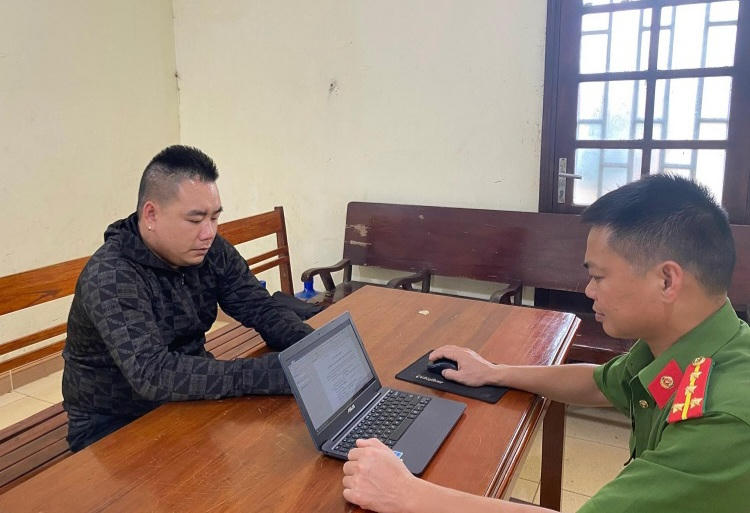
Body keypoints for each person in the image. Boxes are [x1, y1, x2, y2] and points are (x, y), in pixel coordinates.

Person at [342, 174, 750, 513]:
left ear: (666, 280)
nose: (589, 290)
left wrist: (409, 495)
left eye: (599, 276)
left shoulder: (725, 422)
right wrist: (496, 372)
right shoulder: (681, 345)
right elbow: (600, 384)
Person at [63, 145, 314, 451]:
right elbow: (152, 373)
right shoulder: (112, 274)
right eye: (195, 220)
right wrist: (271, 373)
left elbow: (258, 306)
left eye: (214, 218)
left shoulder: (209, 250)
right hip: (113, 419)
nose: (208, 233)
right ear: (151, 214)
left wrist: (312, 345)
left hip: (186, 393)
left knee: (282, 445)